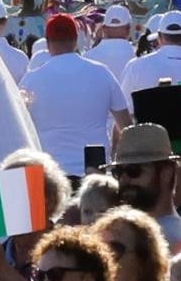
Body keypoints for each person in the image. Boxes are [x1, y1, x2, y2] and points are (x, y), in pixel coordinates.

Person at [23, 13, 135, 172]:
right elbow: (126, 126)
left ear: (47, 44)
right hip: (96, 171)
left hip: (51, 173)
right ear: (76, 40)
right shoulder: (102, 73)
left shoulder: (31, 80)